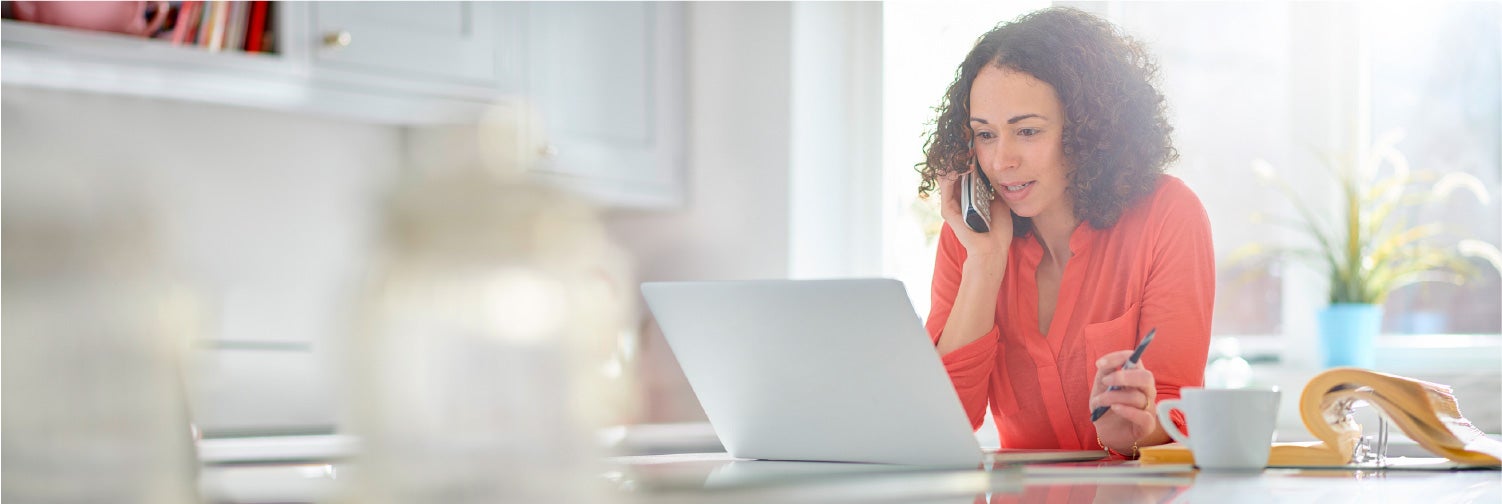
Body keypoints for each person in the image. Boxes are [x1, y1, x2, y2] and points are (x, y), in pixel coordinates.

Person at [917, 7, 1214, 459]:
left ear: (1088, 131)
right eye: (986, 135)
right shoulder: (969, 239)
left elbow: (1177, 412)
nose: (1001, 161)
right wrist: (985, 264)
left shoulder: (1168, 215)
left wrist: (1132, 427)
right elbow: (938, 424)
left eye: (1028, 131)